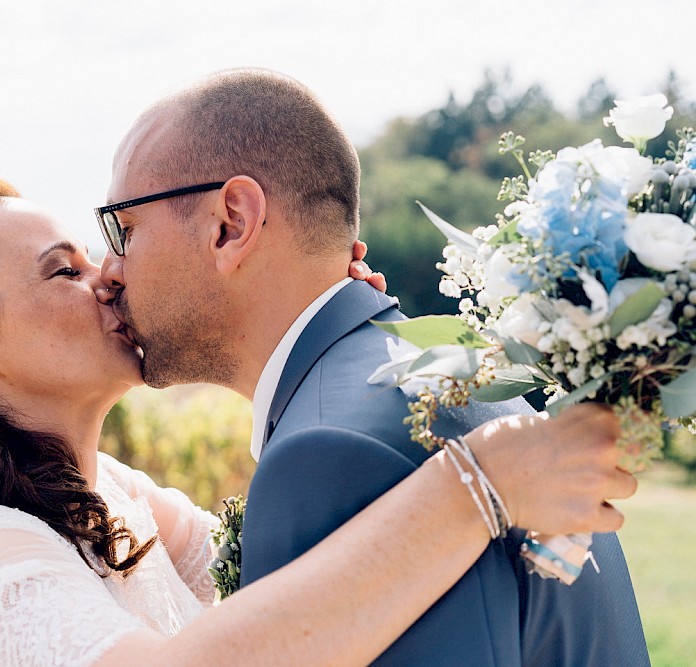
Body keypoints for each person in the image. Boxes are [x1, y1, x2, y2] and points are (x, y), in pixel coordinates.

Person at [0, 177, 635, 666]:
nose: (107, 277)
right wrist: (477, 487)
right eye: (63, 269)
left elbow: (295, 589)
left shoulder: (117, 500)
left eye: (98, 254)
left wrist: (299, 324)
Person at [96, 68, 649, 665]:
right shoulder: (451, 366)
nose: (109, 269)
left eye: (125, 228)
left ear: (231, 223)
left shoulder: (332, 453)